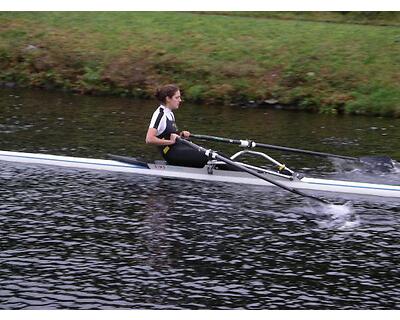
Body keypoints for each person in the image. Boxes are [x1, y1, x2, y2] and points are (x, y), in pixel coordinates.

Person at [145, 84, 208, 168]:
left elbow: (169, 135)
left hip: (178, 149)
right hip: (171, 154)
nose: (180, 100)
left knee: (213, 154)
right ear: (168, 99)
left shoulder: (170, 113)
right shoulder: (160, 115)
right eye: (177, 97)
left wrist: (181, 135)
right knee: (210, 156)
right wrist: (170, 142)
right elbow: (149, 139)